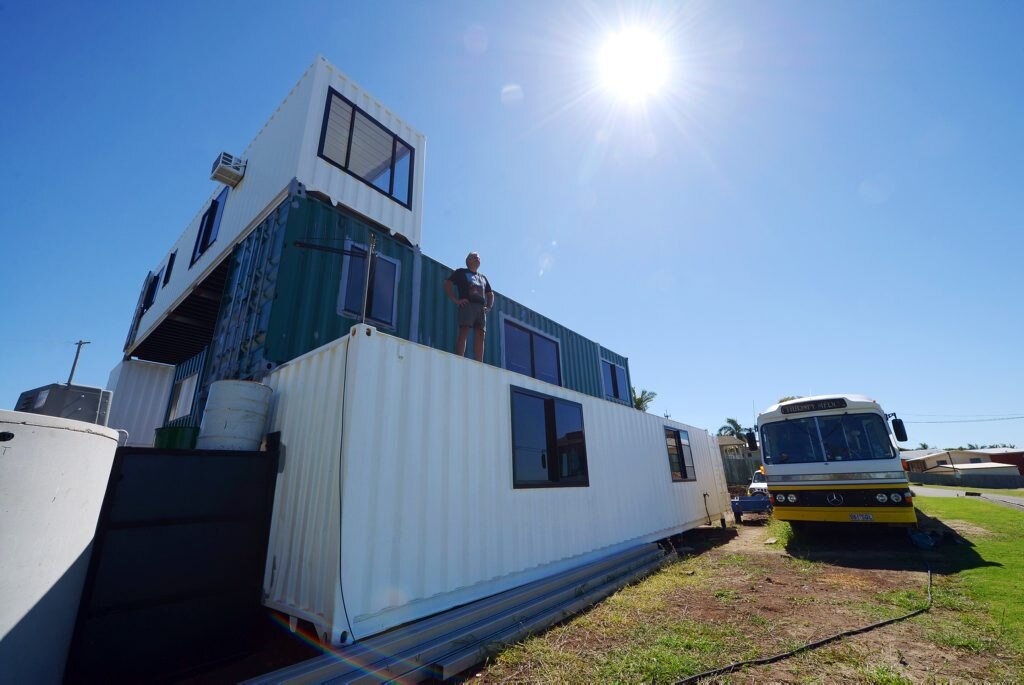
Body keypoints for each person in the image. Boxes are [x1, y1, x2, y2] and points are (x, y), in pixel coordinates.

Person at [444, 252, 494, 362]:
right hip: (467, 305)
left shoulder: (483, 278)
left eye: (479, 258)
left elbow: (490, 294)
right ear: (468, 260)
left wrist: (489, 306)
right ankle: (459, 359)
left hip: (481, 308)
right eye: (475, 257)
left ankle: (479, 363)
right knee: (464, 330)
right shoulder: (461, 272)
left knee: (481, 335)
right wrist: (456, 300)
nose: (478, 259)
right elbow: (447, 284)